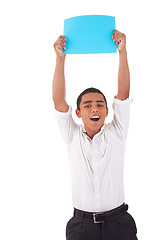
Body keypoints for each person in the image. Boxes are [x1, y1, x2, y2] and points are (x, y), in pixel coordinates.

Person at [52, 30, 138, 240]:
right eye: (88, 105)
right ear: (78, 112)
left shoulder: (117, 132)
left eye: (100, 105)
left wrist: (123, 52)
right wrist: (60, 59)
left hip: (119, 225)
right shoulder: (72, 136)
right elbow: (59, 103)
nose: (95, 109)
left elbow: (123, 94)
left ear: (107, 111)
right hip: (82, 227)